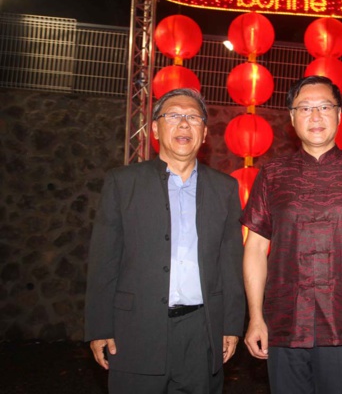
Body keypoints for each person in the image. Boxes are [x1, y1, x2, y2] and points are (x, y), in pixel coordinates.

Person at [240, 75, 342, 394]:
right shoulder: (272, 175)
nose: (315, 116)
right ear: (291, 118)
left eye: (325, 107)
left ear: (340, 116)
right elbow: (255, 249)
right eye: (305, 108)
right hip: (284, 324)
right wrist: (256, 317)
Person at [84, 88, 245, 394]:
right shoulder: (123, 182)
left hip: (201, 331)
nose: (184, 124)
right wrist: (99, 327)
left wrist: (231, 325)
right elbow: (104, 259)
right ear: (156, 128)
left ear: (205, 132)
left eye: (193, 117)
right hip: (136, 330)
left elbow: (230, 261)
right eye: (173, 116)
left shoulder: (224, 188)